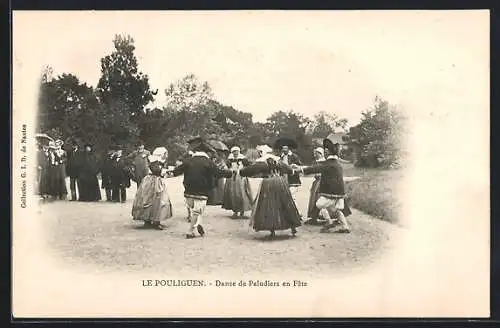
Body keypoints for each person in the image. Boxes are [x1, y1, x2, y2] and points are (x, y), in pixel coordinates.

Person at [171, 140, 233, 239]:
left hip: (188, 189)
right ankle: (190, 231)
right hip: (202, 190)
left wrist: (167, 172)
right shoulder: (208, 162)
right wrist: (230, 173)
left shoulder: (188, 161)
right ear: (207, 152)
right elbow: (218, 173)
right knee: (197, 211)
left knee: (194, 210)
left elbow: (177, 171)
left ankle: (198, 224)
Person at [296, 138, 352, 233]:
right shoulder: (336, 163)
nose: (324, 153)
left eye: (325, 152)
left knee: (319, 204)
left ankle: (329, 222)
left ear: (327, 153)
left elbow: (315, 168)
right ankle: (345, 227)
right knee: (337, 209)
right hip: (340, 192)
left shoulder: (329, 164)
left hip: (332, 192)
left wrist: (299, 169)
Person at [239, 154, 302, 239]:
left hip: (268, 184)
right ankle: (293, 227)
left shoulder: (262, 165)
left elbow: (248, 171)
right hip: (280, 183)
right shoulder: (279, 163)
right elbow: (290, 171)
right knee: (285, 204)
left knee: (269, 206)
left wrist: (241, 171)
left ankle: (272, 229)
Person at [132, 147, 173, 230]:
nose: (165, 156)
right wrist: (166, 171)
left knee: (152, 200)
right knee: (155, 200)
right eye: (164, 154)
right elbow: (157, 171)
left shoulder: (155, 161)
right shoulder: (155, 161)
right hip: (153, 181)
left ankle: (151, 220)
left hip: (153, 180)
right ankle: (153, 221)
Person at [222, 146, 253, 219]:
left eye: (236, 152)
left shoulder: (243, 159)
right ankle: (235, 211)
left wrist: (240, 171)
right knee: (233, 194)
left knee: (242, 193)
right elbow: (227, 167)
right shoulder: (230, 160)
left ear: (239, 152)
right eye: (234, 152)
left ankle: (242, 211)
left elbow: (247, 168)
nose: (235, 154)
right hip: (232, 178)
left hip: (241, 177)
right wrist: (231, 170)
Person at [304, 147, 329, 225]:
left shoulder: (325, 162)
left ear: (320, 154)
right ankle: (314, 217)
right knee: (314, 199)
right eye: (315, 153)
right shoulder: (316, 162)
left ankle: (328, 217)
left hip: (323, 182)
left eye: (317, 153)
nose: (315, 155)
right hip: (317, 182)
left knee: (323, 199)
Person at [279, 144, 303, 218]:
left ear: (288, 149)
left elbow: (299, 165)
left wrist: (293, 166)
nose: (284, 150)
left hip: (293, 179)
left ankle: (298, 213)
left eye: (286, 148)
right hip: (284, 178)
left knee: (292, 197)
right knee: (285, 197)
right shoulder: (282, 157)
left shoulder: (294, 156)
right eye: (283, 148)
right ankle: (289, 214)